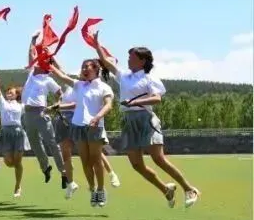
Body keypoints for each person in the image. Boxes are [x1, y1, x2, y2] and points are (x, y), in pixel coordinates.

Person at [92, 32, 200, 208]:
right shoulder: (124, 75)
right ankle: (166, 189)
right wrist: (96, 44)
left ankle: (189, 189)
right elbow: (105, 61)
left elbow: (157, 98)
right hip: (129, 121)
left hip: (145, 119)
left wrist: (135, 102)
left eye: (132, 57)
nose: (128, 60)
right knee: (136, 165)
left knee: (158, 159)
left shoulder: (150, 78)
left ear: (142, 61)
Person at [49, 60, 114, 207]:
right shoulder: (78, 85)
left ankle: (101, 190)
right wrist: (48, 64)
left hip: (95, 126)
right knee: (85, 162)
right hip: (78, 126)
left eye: (87, 67)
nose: (84, 69)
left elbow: (108, 105)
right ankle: (92, 189)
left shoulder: (104, 87)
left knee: (96, 160)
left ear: (96, 70)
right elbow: (62, 76)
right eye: (82, 67)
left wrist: (98, 117)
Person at [23, 33, 68, 188]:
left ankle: (63, 172)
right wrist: (32, 40)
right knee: (35, 144)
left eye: (40, 61)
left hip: (41, 113)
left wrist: (56, 104)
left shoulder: (48, 79)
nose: (36, 62)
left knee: (52, 143)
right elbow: (31, 54)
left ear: (45, 66)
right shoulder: (31, 74)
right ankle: (45, 167)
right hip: (27, 114)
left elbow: (60, 93)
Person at [0, 66, 27, 198]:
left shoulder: (21, 106)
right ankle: (4, 164)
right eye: (8, 92)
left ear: (17, 95)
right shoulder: (3, 103)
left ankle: (18, 186)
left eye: (12, 92)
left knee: (18, 161)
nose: (9, 93)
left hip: (18, 132)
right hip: (5, 133)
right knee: (9, 162)